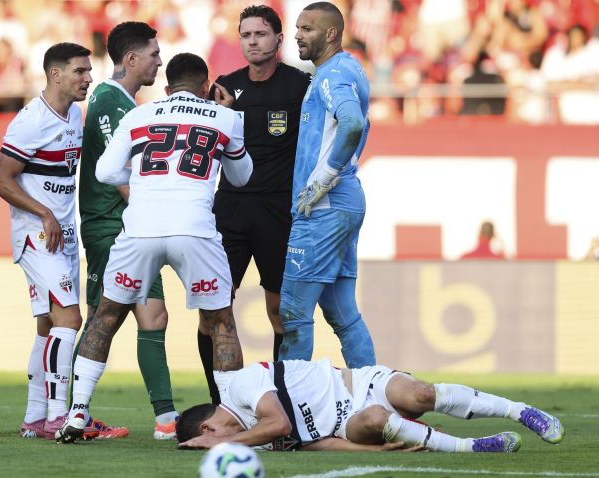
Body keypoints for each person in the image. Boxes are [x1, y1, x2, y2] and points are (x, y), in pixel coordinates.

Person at [56, 53, 254, 444]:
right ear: (205, 86)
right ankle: (234, 419)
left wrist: (145, 180)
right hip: (194, 229)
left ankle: (77, 413)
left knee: (106, 317)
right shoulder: (225, 117)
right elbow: (242, 176)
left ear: (167, 87)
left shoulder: (139, 115)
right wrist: (228, 117)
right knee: (221, 325)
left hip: (141, 227)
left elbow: (104, 172)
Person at [201, 4, 311, 405]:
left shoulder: (301, 86)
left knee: (280, 309)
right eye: (245, 35)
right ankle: (222, 404)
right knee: (214, 307)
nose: (252, 41)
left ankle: (283, 402)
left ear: (278, 40)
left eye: (260, 34)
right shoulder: (224, 88)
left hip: (278, 211)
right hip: (229, 210)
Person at [78, 21, 176, 440]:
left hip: (132, 227)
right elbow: (120, 175)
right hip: (109, 225)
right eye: (154, 53)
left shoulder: (128, 105)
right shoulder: (107, 101)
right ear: (131, 58)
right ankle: (73, 413)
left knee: (153, 314)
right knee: (103, 316)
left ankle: (167, 419)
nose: (160, 60)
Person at [0, 42, 93, 440]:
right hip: (37, 235)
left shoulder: (74, 116)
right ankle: (56, 416)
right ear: (55, 74)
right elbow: (0, 179)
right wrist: (45, 213)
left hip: (64, 236)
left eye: (88, 71)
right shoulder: (30, 121)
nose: (88, 78)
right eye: (80, 71)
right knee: (70, 317)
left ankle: (34, 417)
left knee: (47, 324)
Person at [176, 359, 565, 453]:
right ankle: (474, 447)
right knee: (379, 421)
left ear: (209, 430)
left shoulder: (241, 387)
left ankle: (521, 411)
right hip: (347, 424)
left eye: (213, 441)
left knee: (420, 395)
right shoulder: (251, 440)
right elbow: (313, 443)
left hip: (357, 383)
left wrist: (226, 446)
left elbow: (278, 423)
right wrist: (373, 449)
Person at [277, 2, 375, 366]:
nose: (298, 36)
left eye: (307, 29)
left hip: (325, 205)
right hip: (343, 202)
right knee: (344, 315)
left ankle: (292, 408)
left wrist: (325, 177)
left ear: (331, 34)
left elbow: (350, 123)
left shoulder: (333, 74)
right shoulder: (347, 70)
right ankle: (372, 398)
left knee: (293, 313)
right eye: (298, 28)